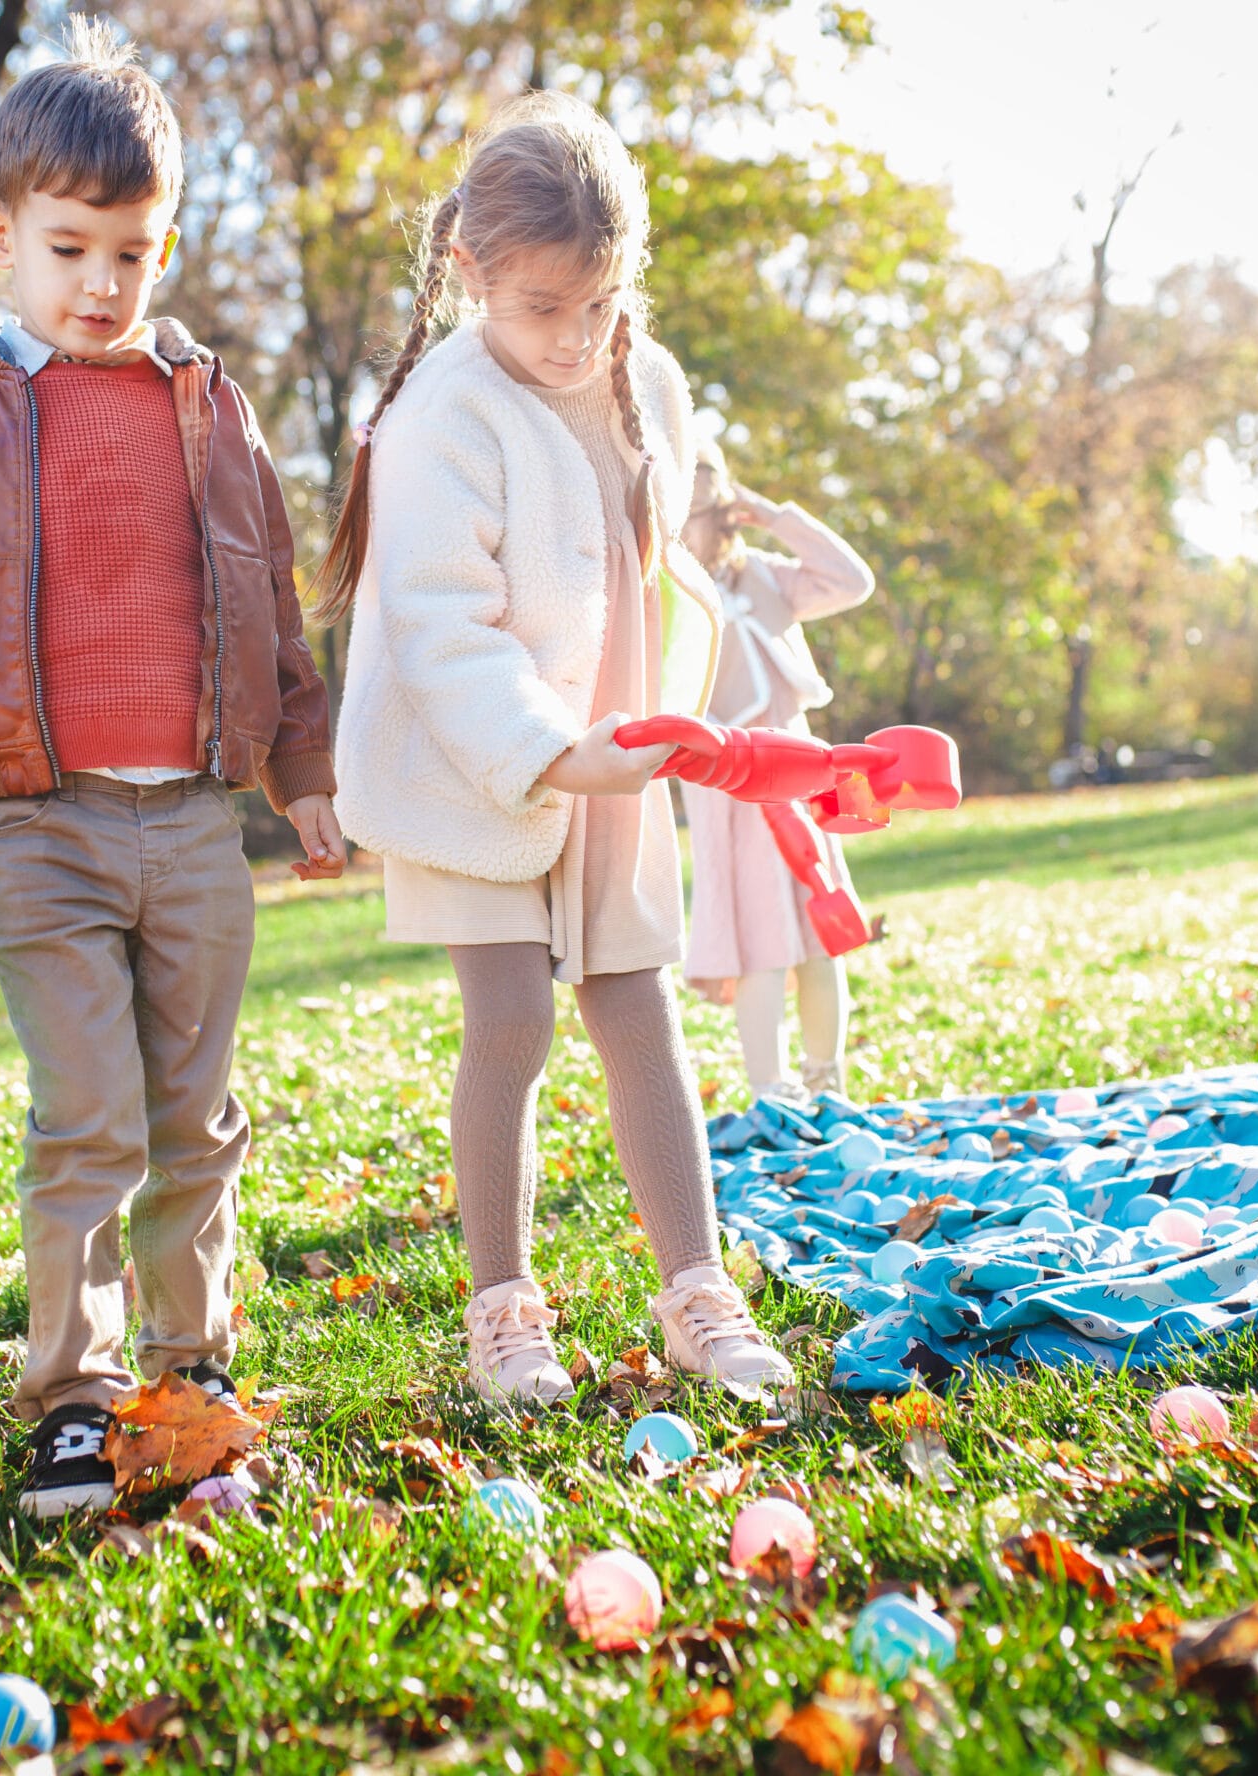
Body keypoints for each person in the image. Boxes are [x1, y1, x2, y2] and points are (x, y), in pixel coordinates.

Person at [0, 22, 340, 1520]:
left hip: (191, 820)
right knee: (90, 1117)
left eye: (135, 252)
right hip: (37, 824)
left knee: (197, 1114)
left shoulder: (206, 404)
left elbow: (267, 588)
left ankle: (191, 1368)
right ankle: (73, 1392)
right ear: (0, 239)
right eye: (70, 249)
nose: (104, 285)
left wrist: (299, 762)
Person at [326, 92, 795, 1408]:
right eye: (543, 309)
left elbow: (658, 560)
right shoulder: (440, 416)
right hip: (479, 768)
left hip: (615, 764)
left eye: (597, 304)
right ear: (469, 273)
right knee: (515, 1020)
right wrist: (550, 752)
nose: (576, 336)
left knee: (640, 1012)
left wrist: (694, 708)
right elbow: (439, 630)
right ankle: (503, 1310)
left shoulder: (646, 379)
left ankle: (699, 1291)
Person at [677, 438, 875, 1102]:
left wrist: (776, 516)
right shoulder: (669, 593)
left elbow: (852, 582)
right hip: (729, 780)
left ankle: (827, 1079)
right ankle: (771, 1088)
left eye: (712, 501)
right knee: (761, 941)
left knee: (821, 929)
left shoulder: (764, 575)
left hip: (799, 768)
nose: (704, 518)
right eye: (686, 504)